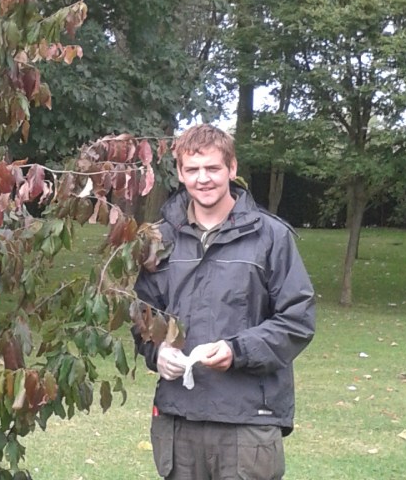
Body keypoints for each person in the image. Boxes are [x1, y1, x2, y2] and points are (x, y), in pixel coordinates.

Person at [133, 124, 316, 480]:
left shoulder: (271, 237)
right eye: (193, 169)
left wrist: (238, 350)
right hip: (178, 419)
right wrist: (158, 351)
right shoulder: (160, 239)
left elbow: (297, 320)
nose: (203, 179)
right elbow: (142, 314)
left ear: (231, 169)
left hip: (247, 422)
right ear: (181, 173)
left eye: (213, 168)